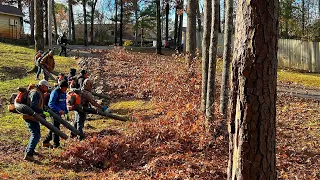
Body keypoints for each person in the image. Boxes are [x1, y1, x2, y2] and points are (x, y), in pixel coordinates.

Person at [23, 80, 51, 161]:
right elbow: (33, 107)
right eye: (46, 87)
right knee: (36, 135)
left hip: (34, 117)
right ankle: (29, 154)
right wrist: (43, 112)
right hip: (30, 117)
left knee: (35, 134)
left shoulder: (38, 92)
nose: (46, 89)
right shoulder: (35, 93)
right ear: (42, 86)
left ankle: (30, 149)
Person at [42, 80, 68, 148]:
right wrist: (59, 110)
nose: (65, 90)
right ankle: (56, 144)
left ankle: (46, 141)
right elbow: (51, 104)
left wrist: (66, 111)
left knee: (53, 128)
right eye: (64, 88)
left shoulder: (64, 93)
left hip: (59, 114)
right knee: (56, 128)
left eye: (66, 88)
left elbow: (64, 102)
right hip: (54, 113)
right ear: (60, 87)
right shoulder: (55, 92)